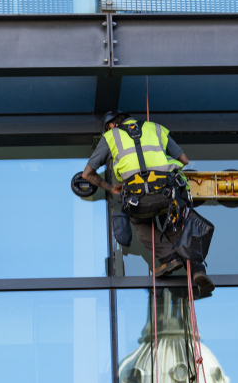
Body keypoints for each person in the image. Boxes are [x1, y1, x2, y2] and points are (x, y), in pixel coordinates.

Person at [82, 110, 215, 296]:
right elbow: (184, 160)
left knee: (142, 227)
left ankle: (169, 258)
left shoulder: (111, 136)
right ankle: (197, 268)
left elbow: (87, 174)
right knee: (174, 224)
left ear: (111, 125)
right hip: (167, 192)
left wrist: (111, 188)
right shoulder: (156, 128)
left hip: (138, 199)